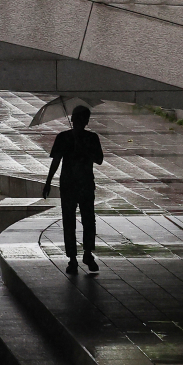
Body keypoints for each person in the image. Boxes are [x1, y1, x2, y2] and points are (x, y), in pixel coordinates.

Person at [42, 106, 104, 274]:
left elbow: (99, 159)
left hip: (82, 185)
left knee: (86, 220)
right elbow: (56, 160)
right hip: (71, 185)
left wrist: (85, 149)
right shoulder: (64, 137)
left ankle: (86, 254)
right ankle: (73, 258)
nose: (80, 122)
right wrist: (48, 181)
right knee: (72, 221)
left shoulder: (90, 138)